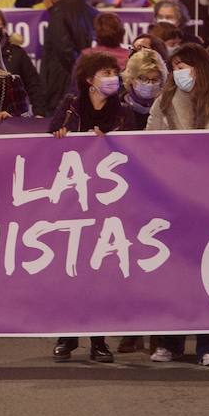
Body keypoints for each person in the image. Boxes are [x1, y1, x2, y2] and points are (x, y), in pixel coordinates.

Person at [145, 43, 209, 366]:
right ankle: (169, 341)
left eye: (184, 65)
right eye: (174, 66)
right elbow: (147, 146)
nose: (179, 72)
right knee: (173, 274)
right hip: (172, 201)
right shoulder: (163, 105)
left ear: (200, 68)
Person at [47, 49, 135, 365]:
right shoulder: (70, 106)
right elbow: (48, 142)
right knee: (70, 269)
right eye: (105, 73)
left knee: (99, 271)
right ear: (89, 80)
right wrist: (59, 135)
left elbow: (134, 149)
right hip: (72, 201)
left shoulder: (122, 111)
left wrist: (110, 140)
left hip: (108, 202)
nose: (112, 78)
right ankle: (67, 336)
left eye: (115, 72)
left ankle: (99, 340)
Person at [39, 0, 98, 113]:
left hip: (62, 81)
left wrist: (78, 71)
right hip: (89, 80)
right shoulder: (95, 13)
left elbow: (63, 48)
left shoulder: (57, 12)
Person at [0, 8, 43, 112]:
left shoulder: (17, 53)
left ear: (4, 28)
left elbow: (33, 84)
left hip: (12, 116)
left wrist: (40, 112)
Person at [120, 48, 168, 127]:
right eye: (143, 78)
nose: (150, 84)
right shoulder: (117, 107)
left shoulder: (166, 107)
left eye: (155, 79)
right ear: (131, 78)